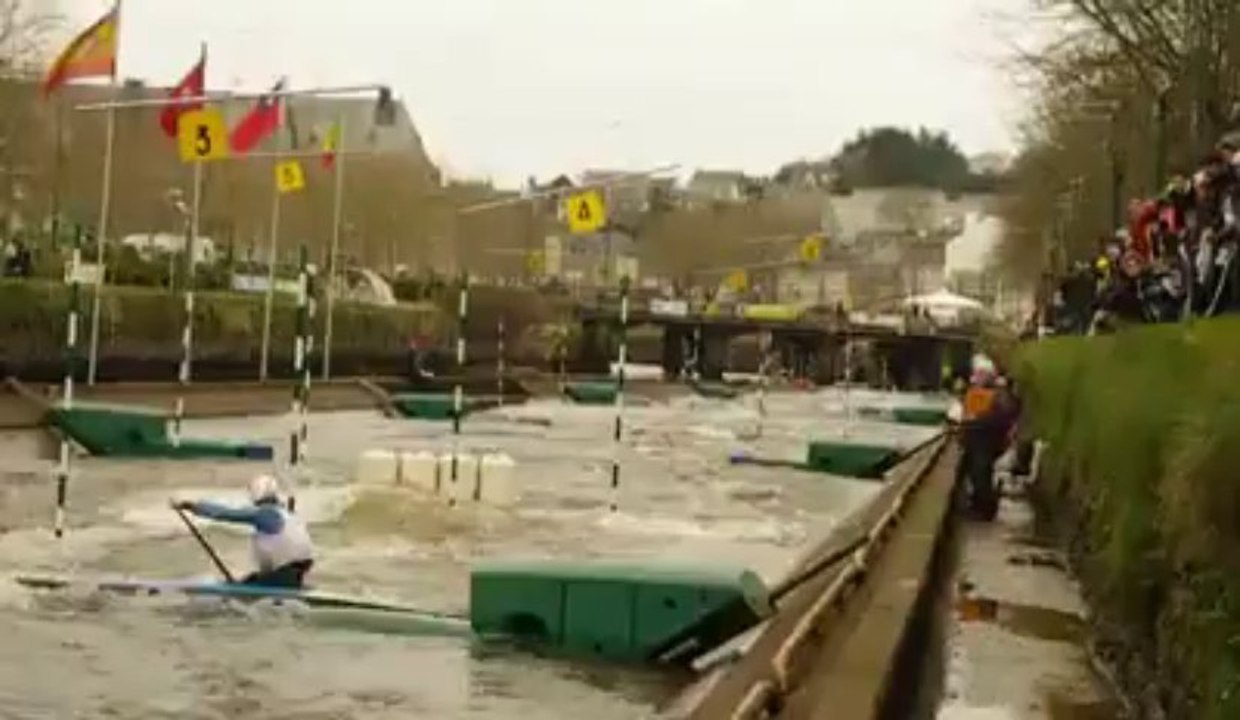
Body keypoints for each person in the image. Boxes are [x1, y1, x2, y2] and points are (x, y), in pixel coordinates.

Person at [173, 474, 315, 588]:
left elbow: (225, 513)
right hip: (298, 573)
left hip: (284, 576)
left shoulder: (265, 514)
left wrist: (192, 506)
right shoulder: (289, 514)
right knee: (250, 579)